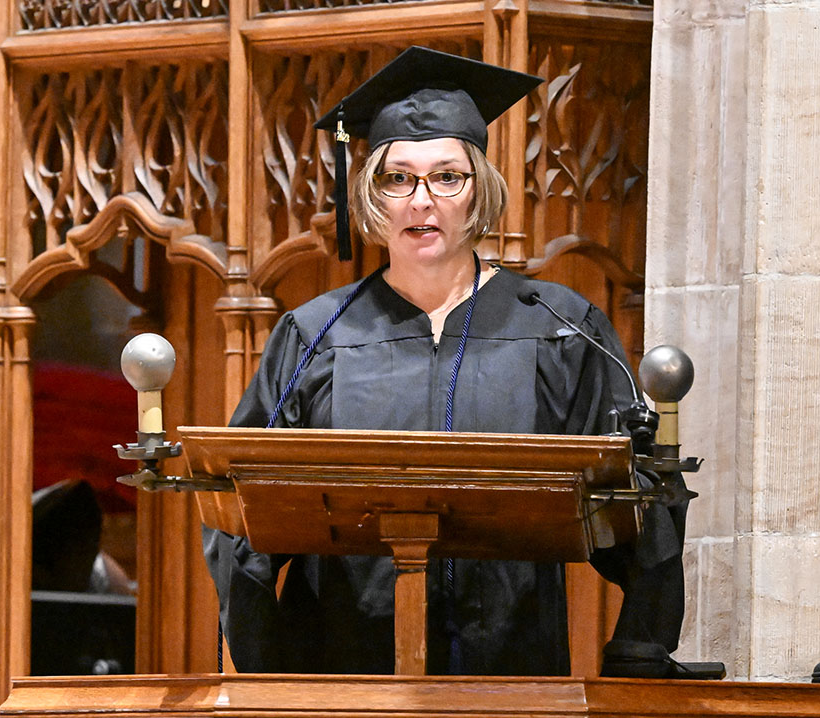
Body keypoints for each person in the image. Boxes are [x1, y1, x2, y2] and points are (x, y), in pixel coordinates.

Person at [202, 47, 687, 676]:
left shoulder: (559, 328)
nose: (420, 200)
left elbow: (636, 494)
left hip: (513, 681)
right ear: (373, 196)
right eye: (396, 178)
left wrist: (640, 649)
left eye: (446, 176)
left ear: (478, 189)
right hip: (345, 682)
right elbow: (239, 504)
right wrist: (269, 672)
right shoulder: (316, 335)